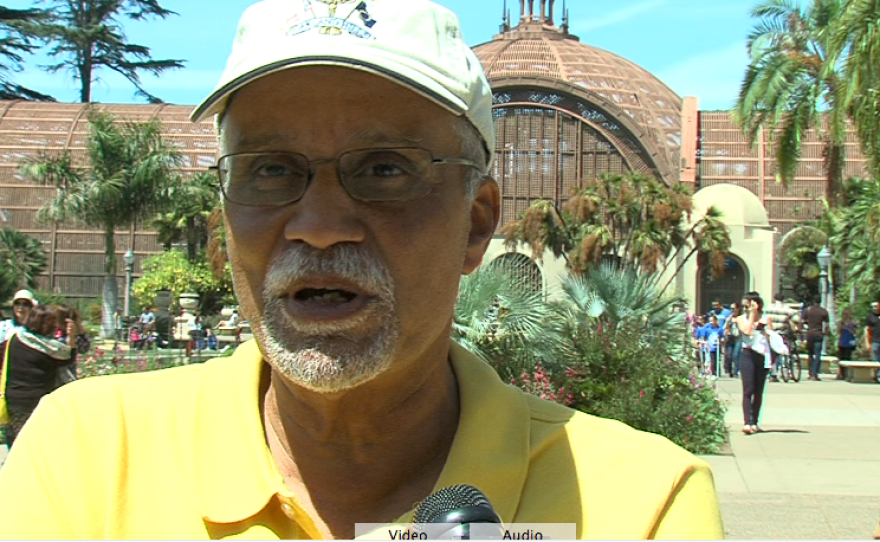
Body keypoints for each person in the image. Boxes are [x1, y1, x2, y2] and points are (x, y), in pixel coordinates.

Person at [0, 1, 723, 538]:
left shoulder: (637, 504)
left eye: (385, 169)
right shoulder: (90, 456)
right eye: (270, 169)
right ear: (226, 209)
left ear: (477, 223)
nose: (318, 226)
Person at [0, 304, 75, 447]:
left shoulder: (15, 339)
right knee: (35, 446)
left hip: (14, 400)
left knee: (18, 443)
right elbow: (67, 357)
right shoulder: (50, 349)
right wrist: (71, 337)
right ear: (46, 325)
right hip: (37, 402)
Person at [736, 292, 772, 434]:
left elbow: (772, 337)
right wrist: (751, 315)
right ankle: (747, 422)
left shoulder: (766, 319)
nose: (746, 309)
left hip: (762, 355)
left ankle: (755, 421)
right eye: (745, 306)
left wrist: (767, 332)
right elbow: (747, 331)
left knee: (758, 390)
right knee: (748, 389)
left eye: (749, 306)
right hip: (747, 354)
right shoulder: (740, 319)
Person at [764, 292, 798, 383]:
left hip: (770, 333)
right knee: (785, 350)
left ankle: (773, 374)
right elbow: (796, 318)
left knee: (772, 354)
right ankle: (788, 369)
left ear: (774, 299)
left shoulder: (769, 308)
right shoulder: (787, 309)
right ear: (783, 300)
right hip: (782, 333)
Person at [804, 294, 829, 381]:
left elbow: (803, 321)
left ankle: (810, 373)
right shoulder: (824, 311)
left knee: (810, 354)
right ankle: (815, 374)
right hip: (818, 333)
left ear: (813, 301)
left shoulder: (808, 310)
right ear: (820, 301)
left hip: (810, 333)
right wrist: (825, 333)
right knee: (818, 354)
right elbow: (827, 325)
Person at [837, 307, 858, 380]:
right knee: (841, 360)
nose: (845, 315)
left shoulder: (853, 322)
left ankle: (847, 374)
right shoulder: (841, 322)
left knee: (847, 359)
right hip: (842, 342)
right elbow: (839, 332)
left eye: (846, 314)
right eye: (844, 314)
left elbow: (855, 332)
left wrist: (847, 327)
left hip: (849, 343)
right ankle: (841, 374)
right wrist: (840, 325)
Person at [724, 301, 743, 378]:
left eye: (733, 308)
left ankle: (736, 371)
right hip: (731, 338)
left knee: (736, 355)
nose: (732, 310)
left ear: (738, 309)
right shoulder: (729, 318)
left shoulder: (741, 318)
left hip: (738, 337)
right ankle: (729, 370)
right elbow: (726, 328)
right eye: (731, 309)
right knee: (729, 355)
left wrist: (738, 322)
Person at [866, 301, 880, 382]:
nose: (875, 308)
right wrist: (868, 343)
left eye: (876, 306)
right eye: (873, 307)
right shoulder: (870, 317)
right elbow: (867, 330)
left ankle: (879, 375)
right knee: (875, 359)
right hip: (875, 341)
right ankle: (876, 375)